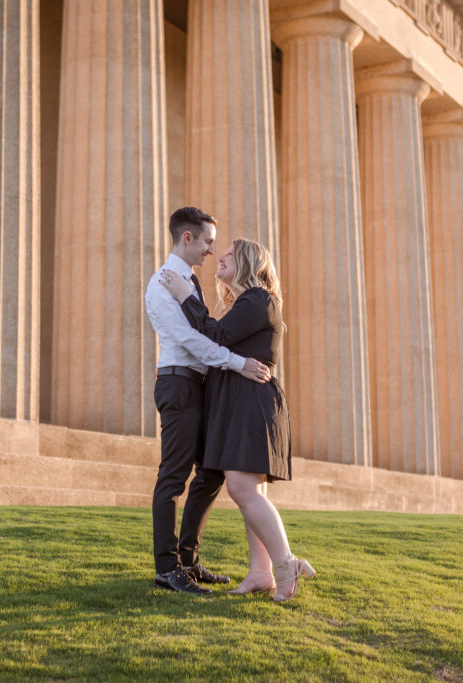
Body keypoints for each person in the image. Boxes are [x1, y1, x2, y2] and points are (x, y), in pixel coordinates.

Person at [160, 238, 315, 602]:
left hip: (251, 402)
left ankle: (285, 562)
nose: (219, 258)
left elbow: (217, 336)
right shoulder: (247, 302)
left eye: (228, 255)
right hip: (240, 401)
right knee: (251, 491)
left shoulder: (258, 298)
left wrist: (186, 296)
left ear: (247, 262)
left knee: (242, 490)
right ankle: (262, 573)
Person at [144, 207, 272, 594]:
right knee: (173, 476)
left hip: (200, 387)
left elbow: (207, 332)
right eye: (207, 242)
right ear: (188, 238)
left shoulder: (189, 282)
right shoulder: (164, 282)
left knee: (212, 473)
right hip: (179, 384)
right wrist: (239, 364)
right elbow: (191, 340)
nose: (211, 252)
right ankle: (168, 567)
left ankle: (189, 560)